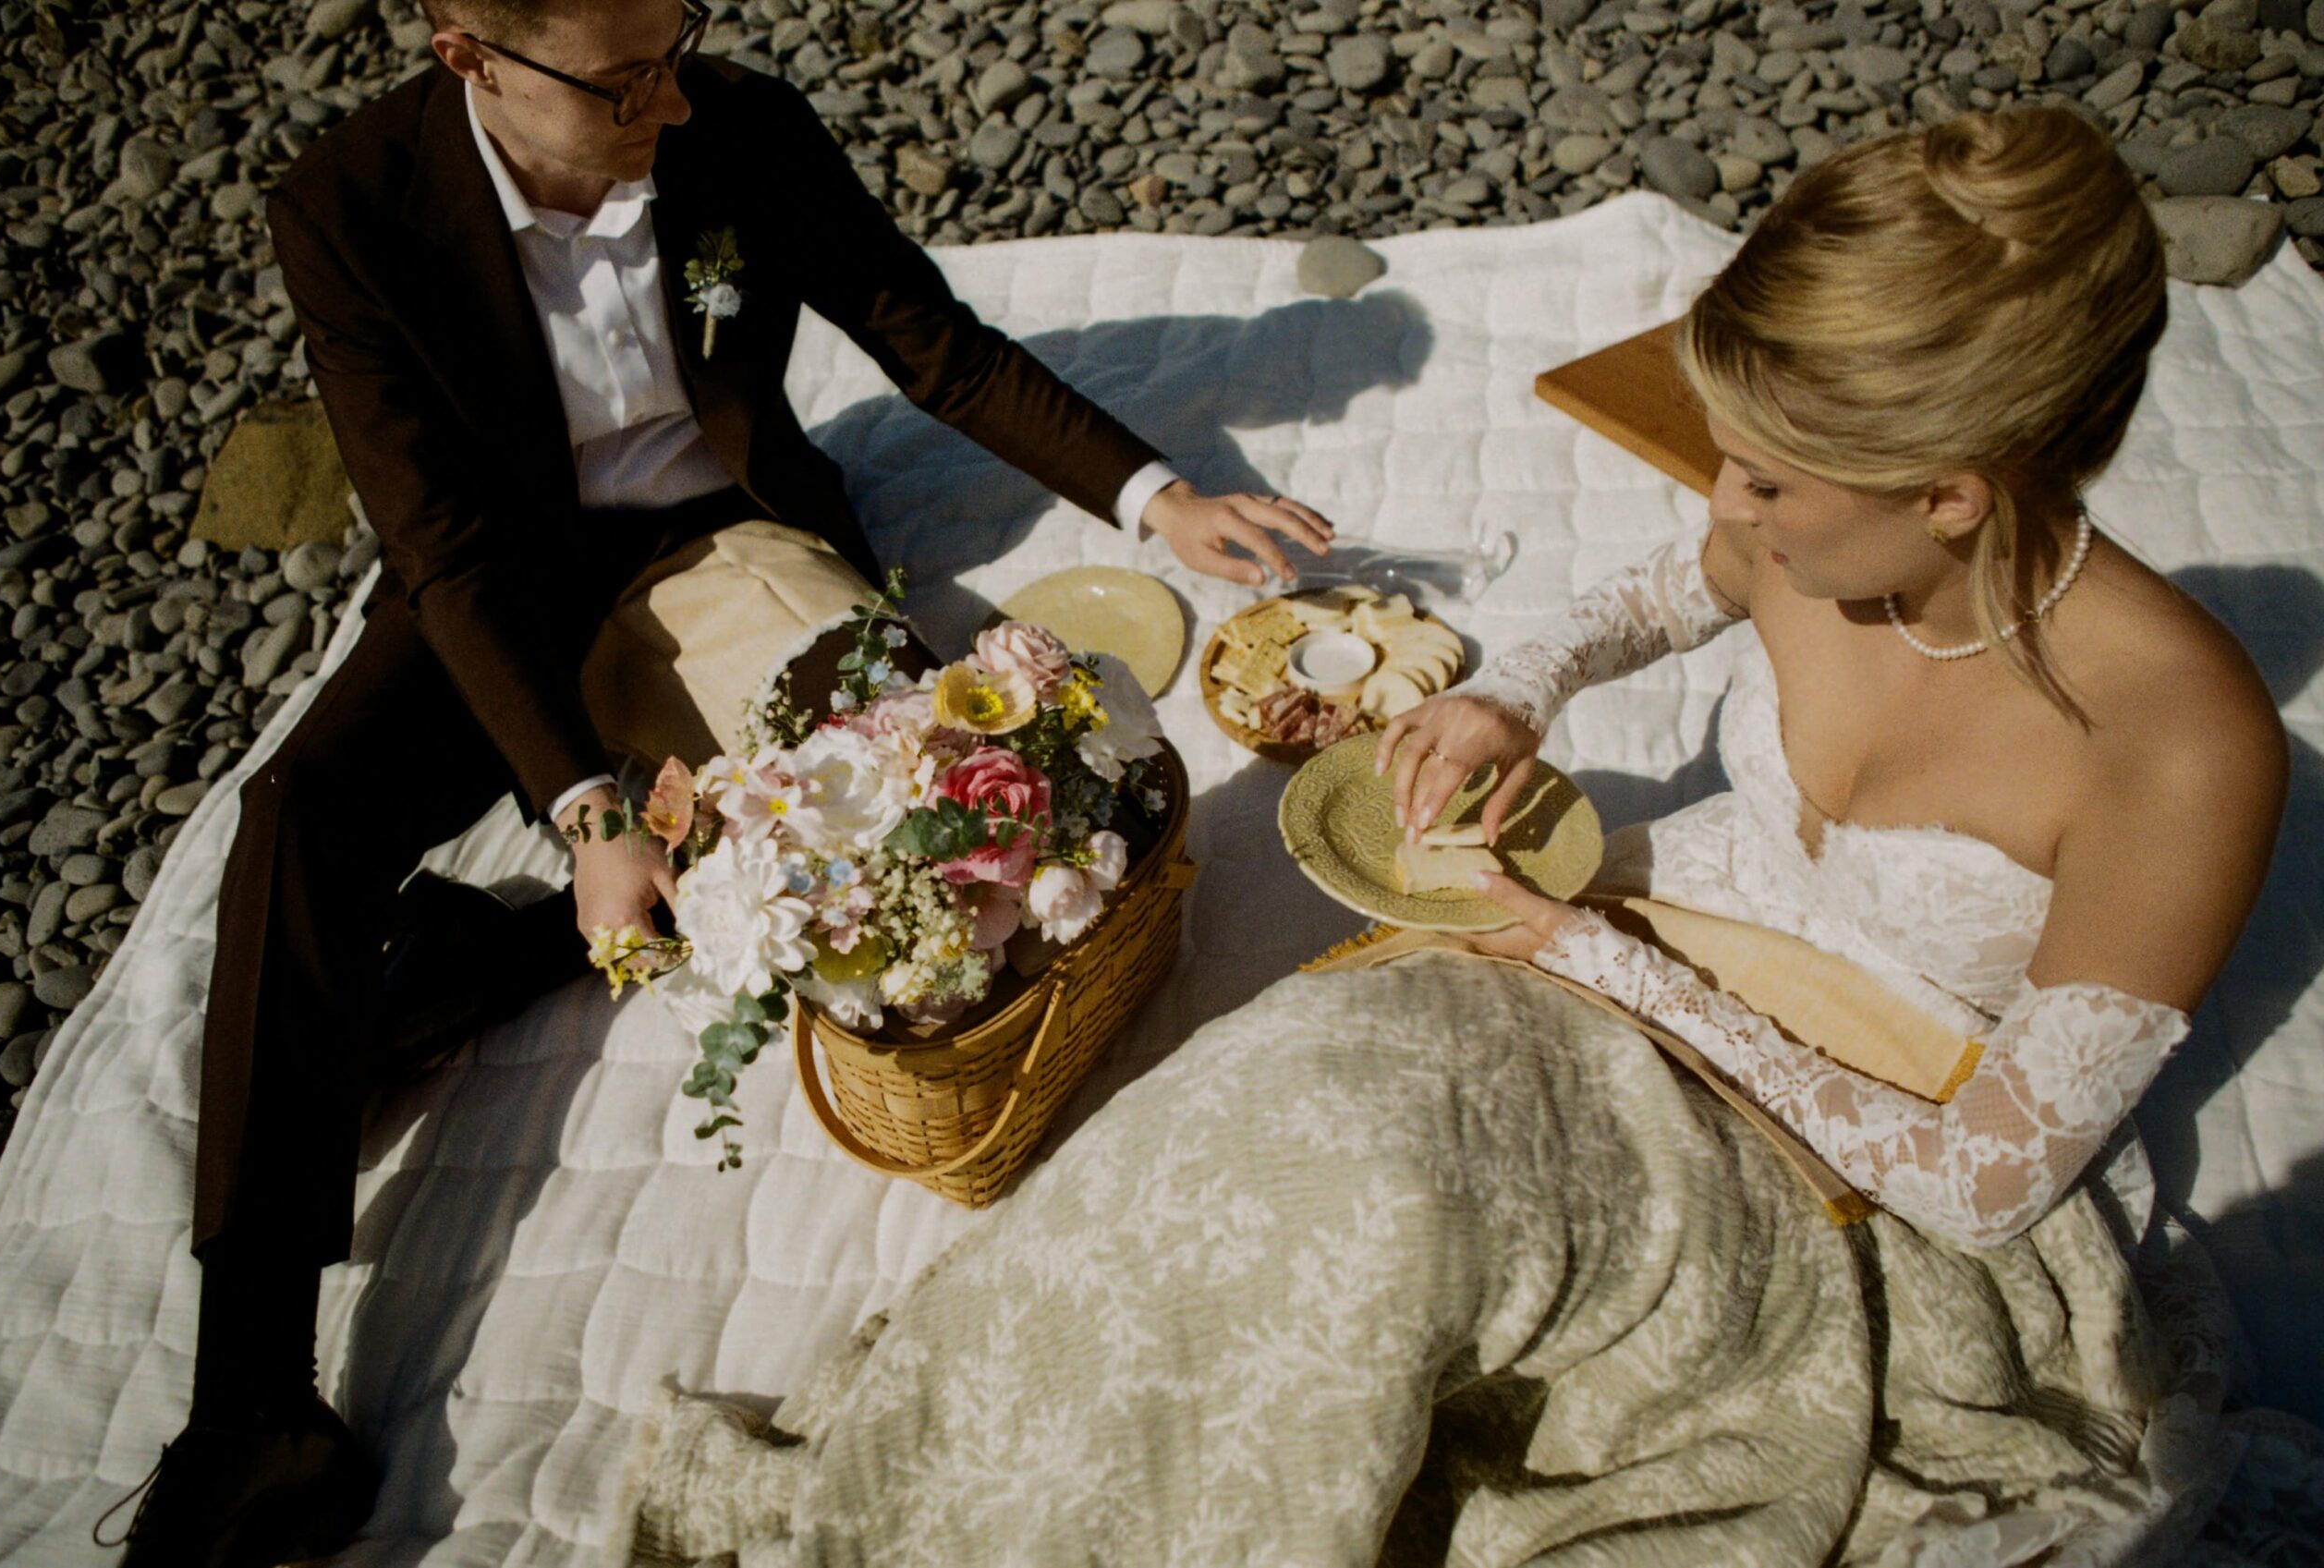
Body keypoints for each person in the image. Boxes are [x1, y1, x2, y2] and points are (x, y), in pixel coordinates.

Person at [614, 108, 2294, 1564]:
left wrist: (1582, 955)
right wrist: (1525, 689)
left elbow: (1989, 1179)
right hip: (1636, 946)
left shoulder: (2179, 749)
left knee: (1395, 1201)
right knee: (1288, 1088)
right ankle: (951, 1472)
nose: (1728, 508)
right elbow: (1675, 588)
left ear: (1955, 494)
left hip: (1858, 1131)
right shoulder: (1804, 531)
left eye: (1772, 482)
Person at [109, 1, 1338, 1562]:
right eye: (623, 83)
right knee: (291, 820)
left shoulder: (735, 123)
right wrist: (587, 807)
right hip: (490, 582)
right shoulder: (345, 207)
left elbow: (926, 334)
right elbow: (438, 539)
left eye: (678, 46)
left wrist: (1156, 496)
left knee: (888, 826)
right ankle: (249, 1406)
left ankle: (484, 954)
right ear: (465, 53)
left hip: (724, 540)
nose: (670, 103)